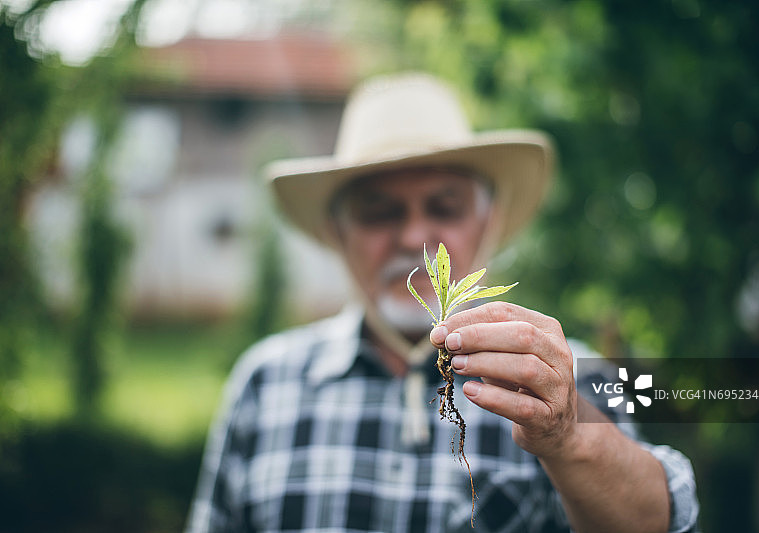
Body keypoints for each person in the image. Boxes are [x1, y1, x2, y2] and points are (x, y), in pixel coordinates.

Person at [186, 72, 699, 533]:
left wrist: (568, 436)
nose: (414, 236)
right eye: (379, 212)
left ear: (487, 221)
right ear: (337, 233)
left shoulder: (569, 376)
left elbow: (655, 523)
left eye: (444, 207)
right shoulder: (264, 384)